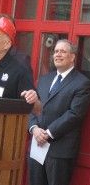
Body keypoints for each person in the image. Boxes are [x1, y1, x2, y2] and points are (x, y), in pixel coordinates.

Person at [28, 39, 90, 185]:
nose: (58, 54)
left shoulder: (82, 82)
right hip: (37, 146)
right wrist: (34, 128)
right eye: (56, 51)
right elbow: (33, 106)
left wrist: (48, 133)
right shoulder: (44, 79)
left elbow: (75, 114)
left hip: (60, 151)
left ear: (72, 57)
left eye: (63, 51)